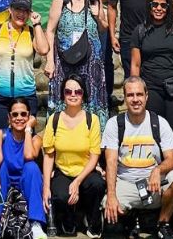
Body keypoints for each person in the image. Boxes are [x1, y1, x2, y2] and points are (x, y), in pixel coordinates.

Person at [103, 76, 173, 239]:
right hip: (126, 183)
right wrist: (111, 195)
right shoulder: (114, 124)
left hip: (153, 184)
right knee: (111, 225)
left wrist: (158, 170)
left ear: (146, 96)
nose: (135, 99)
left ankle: (162, 224)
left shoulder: (159, 123)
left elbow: (172, 159)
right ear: (125, 98)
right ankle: (131, 218)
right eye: (130, 95)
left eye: (139, 94)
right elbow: (111, 161)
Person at [44, 0, 109, 131]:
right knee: (64, 95)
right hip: (64, 59)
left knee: (91, 97)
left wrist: (98, 16)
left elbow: (104, 29)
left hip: (90, 61)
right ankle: (61, 135)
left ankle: (93, 138)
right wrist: (49, 61)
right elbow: (50, 30)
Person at [42, 74, 106, 237]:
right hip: (63, 171)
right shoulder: (54, 120)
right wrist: (46, 187)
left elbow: (94, 156)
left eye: (78, 91)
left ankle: (93, 220)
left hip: (85, 171)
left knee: (97, 184)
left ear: (83, 94)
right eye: (68, 91)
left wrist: (77, 182)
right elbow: (49, 155)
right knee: (62, 195)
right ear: (62, 94)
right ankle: (68, 218)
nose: (73, 95)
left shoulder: (93, 120)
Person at [0, 0, 50, 131]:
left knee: (26, 140)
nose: (21, 14)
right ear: (10, 10)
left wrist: (37, 25)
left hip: (25, 96)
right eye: (18, 9)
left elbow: (43, 49)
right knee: (0, 139)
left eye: (25, 11)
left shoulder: (31, 32)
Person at [108, 0, 163, 100]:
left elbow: (162, 5)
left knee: (150, 76)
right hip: (127, 37)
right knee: (130, 78)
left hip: (151, 34)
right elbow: (112, 7)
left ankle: (151, 112)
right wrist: (112, 36)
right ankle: (132, 115)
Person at [130, 0, 173, 130]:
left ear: (168, 7)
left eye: (163, 5)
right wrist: (135, 88)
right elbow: (135, 64)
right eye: (155, 4)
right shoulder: (140, 31)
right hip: (151, 86)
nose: (159, 8)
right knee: (154, 128)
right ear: (149, 6)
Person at [0, 97, 48, 239]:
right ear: (9, 118)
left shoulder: (35, 139)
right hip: (6, 181)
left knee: (32, 167)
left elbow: (28, 155)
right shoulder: (0, 135)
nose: (19, 118)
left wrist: (28, 130)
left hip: (26, 183)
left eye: (23, 114)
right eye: (14, 114)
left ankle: (36, 224)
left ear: (29, 116)